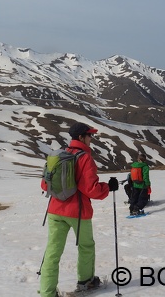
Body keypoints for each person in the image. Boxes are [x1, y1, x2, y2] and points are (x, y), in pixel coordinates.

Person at [39, 122, 119, 297]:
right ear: (81, 137)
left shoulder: (60, 155)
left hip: (54, 210)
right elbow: (91, 189)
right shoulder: (85, 158)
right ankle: (86, 282)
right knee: (86, 247)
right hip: (78, 212)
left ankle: (47, 292)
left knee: (52, 251)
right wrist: (108, 187)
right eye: (90, 135)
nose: (92, 138)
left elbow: (45, 184)